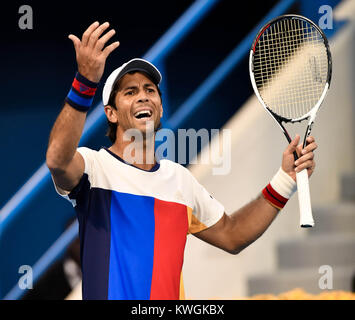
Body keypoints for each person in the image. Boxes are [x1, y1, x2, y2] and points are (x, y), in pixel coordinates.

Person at [46, 21, 317, 300]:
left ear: (160, 108)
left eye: (150, 90)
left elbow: (232, 234)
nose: (143, 97)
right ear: (111, 113)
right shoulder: (94, 168)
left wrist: (286, 178)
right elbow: (57, 159)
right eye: (130, 92)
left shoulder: (180, 180)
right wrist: (85, 82)